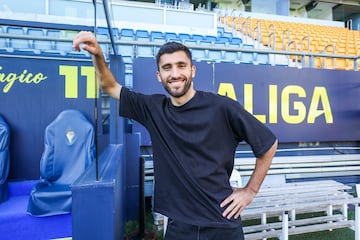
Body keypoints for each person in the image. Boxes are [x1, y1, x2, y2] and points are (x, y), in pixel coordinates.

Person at [73, 31, 278, 240]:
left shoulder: (222, 107)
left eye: (181, 65)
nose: (175, 73)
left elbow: (268, 143)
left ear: (193, 70)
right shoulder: (153, 109)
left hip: (222, 223)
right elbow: (109, 86)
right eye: (167, 67)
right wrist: (98, 55)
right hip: (179, 227)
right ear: (159, 75)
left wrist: (250, 191)